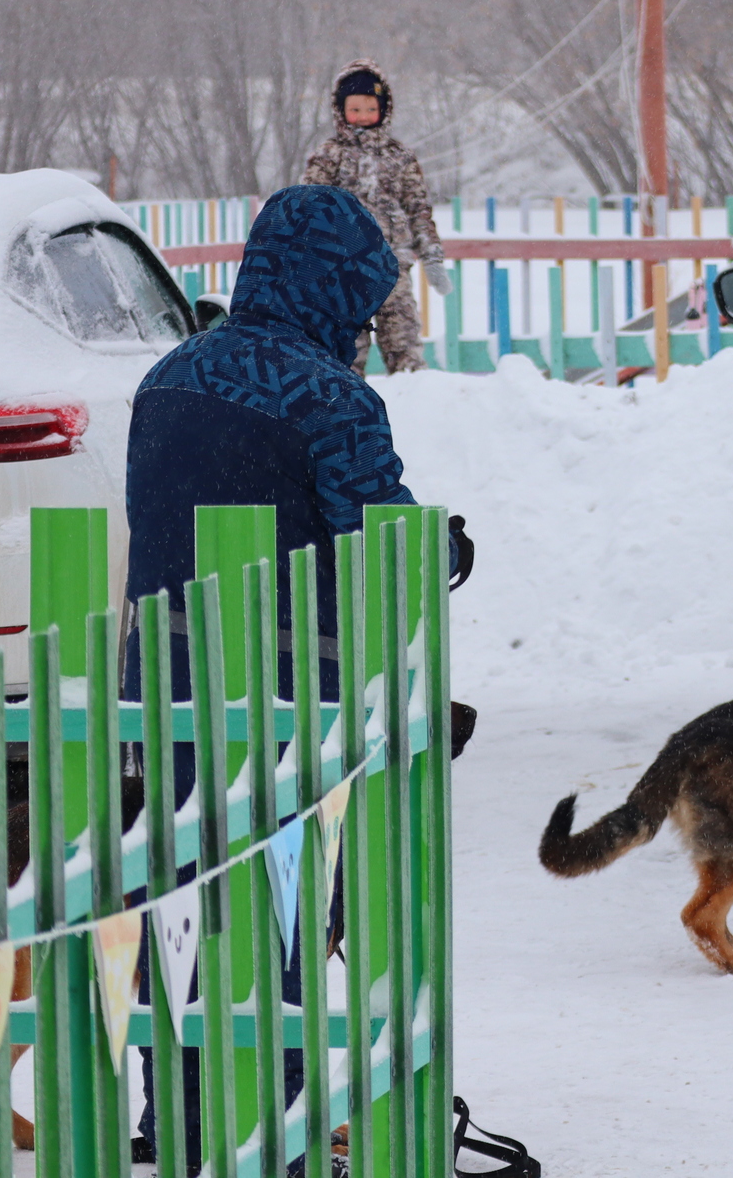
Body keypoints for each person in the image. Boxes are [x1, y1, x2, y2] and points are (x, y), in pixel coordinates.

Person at [121, 183, 472, 1173]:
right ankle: (264, 1110)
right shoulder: (326, 395)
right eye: (359, 301)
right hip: (286, 684)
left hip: (172, 672)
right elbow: (378, 535)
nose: (364, 324)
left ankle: (178, 1112)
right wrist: (441, 553)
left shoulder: (168, 376)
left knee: (179, 887)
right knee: (282, 897)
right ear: (328, 290)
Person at [302, 58, 450, 373]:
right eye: (355, 110)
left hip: (391, 265)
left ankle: (414, 390)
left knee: (403, 338)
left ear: (384, 109)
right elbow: (309, 207)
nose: (364, 117)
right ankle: (343, 402)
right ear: (340, 111)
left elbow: (418, 208)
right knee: (344, 349)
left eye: (371, 109)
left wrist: (432, 255)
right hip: (343, 268)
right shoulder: (330, 156)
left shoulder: (399, 157)